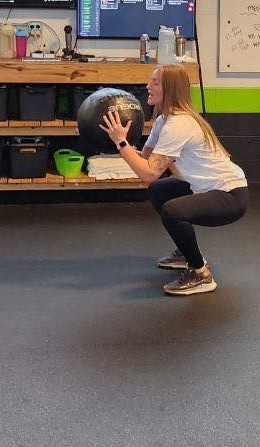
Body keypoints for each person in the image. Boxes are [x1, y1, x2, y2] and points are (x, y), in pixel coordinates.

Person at [100, 64, 247, 297]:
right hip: (203, 188)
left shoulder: (180, 124)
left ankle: (201, 274)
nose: (148, 86)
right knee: (158, 190)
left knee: (172, 211)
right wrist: (123, 142)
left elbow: (147, 173)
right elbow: (146, 161)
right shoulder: (163, 121)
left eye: (155, 82)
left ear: (170, 88)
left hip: (229, 195)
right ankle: (186, 253)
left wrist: (121, 144)